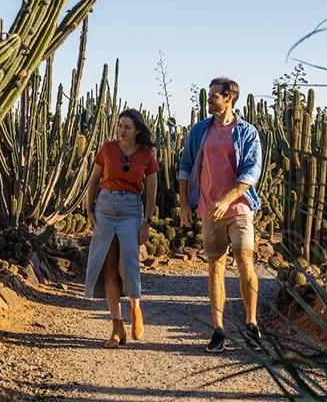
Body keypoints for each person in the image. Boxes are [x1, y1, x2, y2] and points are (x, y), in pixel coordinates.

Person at [178, 77, 263, 353]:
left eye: (215, 95)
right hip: (208, 209)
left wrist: (226, 200)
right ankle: (218, 330)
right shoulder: (200, 130)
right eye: (210, 95)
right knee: (215, 266)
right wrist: (183, 204)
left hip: (238, 208)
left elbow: (250, 173)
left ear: (230, 98)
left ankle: (252, 324)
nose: (210, 99)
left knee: (244, 262)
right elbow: (185, 167)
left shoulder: (246, 133)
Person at [84, 109, 159, 348]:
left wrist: (146, 222)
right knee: (108, 266)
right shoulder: (107, 149)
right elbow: (94, 179)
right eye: (119, 126)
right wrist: (89, 210)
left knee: (127, 264)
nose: (121, 130)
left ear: (138, 130)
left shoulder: (147, 155)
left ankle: (135, 307)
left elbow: (152, 190)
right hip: (105, 207)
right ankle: (116, 326)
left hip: (130, 209)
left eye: (127, 126)